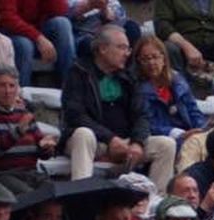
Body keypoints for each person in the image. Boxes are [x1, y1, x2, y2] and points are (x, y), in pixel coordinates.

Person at [60, 25, 174, 191]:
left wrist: (137, 143)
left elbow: (142, 115)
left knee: (166, 144)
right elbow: (75, 115)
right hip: (94, 142)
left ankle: (154, 204)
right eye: (122, 47)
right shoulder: (78, 72)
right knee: (84, 134)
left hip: (125, 143)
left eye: (128, 48)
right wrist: (110, 139)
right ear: (103, 49)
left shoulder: (128, 76)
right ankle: (81, 196)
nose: (127, 53)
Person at [0, 61, 55, 173]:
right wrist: (16, 132)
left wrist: (46, 148)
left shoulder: (24, 114)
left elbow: (42, 154)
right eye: (2, 85)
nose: (8, 91)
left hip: (30, 173)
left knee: (59, 190)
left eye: (12, 86)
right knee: (27, 190)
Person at [132, 33, 200, 140]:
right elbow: (148, 123)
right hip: (164, 138)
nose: (151, 63)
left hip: (190, 134)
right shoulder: (137, 89)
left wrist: (200, 130)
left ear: (163, 58)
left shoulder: (178, 82)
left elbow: (193, 110)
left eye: (155, 57)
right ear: (138, 62)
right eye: (145, 59)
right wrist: (179, 134)